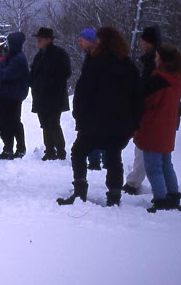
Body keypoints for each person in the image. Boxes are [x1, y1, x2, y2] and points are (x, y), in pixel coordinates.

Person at [58, 26, 143, 207]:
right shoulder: (128, 65)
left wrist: (79, 117)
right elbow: (137, 97)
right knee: (114, 158)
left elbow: (83, 93)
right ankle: (114, 197)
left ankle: (80, 192)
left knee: (78, 152)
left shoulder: (95, 63)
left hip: (94, 123)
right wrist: (134, 123)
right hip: (120, 124)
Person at [133, 44, 181, 212]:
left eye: (157, 57)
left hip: (153, 128)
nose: (155, 59)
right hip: (168, 128)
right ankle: (173, 196)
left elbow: (144, 102)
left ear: (162, 60)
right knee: (166, 164)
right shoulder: (176, 78)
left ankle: (161, 200)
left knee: (153, 167)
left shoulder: (158, 81)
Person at [123, 26, 162, 195]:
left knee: (143, 148)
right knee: (156, 153)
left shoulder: (153, 63)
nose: (140, 43)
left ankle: (134, 183)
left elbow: (148, 91)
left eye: (143, 40)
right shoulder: (156, 61)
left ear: (149, 42)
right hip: (156, 113)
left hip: (151, 113)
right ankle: (164, 189)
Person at [30, 27, 72, 161]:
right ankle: (49, 150)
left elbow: (66, 73)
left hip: (54, 97)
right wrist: (32, 83)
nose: (38, 41)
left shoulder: (59, 54)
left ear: (48, 40)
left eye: (40, 39)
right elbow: (33, 73)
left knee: (53, 124)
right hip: (40, 96)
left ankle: (60, 151)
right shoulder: (39, 55)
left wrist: (50, 83)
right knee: (45, 124)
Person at [0, 32, 30, 160]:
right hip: (9, 94)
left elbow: (4, 74)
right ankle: (11, 148)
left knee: (12, 122)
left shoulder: (18, 58)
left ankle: (16, 149)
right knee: (9, 122)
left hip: (12, 95)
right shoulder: (13, 57)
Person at [76, 28, 104, 170]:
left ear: (90, 41)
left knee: (94, 132)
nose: (79, 43)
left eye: (81, 40)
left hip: (96, 103)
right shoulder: (90, 56)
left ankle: (96, 160)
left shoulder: (97, 57)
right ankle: (99, 159)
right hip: (92, 103)